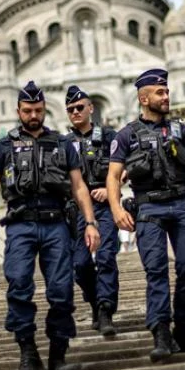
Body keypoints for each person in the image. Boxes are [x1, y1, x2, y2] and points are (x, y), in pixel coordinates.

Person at [0, 80, 101, 370]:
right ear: (18, 111)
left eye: (37, 110)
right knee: (19, 284)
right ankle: (28, 354)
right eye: (27, 110)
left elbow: (78, 186)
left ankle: (58, 355)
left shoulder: (61, 144)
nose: (33, 115)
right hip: (20, 224)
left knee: (61, 290)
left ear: (45, 109)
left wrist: (90, 222)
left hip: (56, 222)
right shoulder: (5, 146)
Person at [106, 68, 185, 363]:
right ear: (143, 98)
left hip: (182, 204)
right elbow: (113, 175)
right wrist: (116, 209)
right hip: (149, 209)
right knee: (156, 271)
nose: (166, 96)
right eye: (160, 92)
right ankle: (161, 333)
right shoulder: (127, 135)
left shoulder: (182, 131)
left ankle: (183, 329)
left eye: (167, 91)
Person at [64, 84, 120, 337]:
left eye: (79, 107)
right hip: (76, 210)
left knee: (106, 256)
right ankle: (95, 300)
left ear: (90, 108)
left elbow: (125, 167)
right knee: (81, 264)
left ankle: (106, 309)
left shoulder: (109, 137)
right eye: (70, 109)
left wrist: (110, 190)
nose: (75, 112)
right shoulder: (63, 143)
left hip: (104, 205)